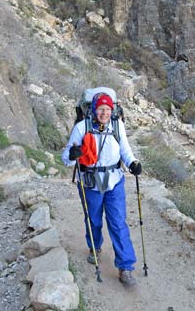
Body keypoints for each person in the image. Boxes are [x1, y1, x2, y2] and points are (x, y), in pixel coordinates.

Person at [62, 92, 142, 287]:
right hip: (90, 181)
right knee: (93, 220)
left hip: (114, 180)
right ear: (94, 110)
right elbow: (65, 157)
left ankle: (126, 267)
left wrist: (132, 163)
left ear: (112, 110)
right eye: (101, 109)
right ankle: (95, 247)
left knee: (118, 222)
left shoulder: (117, 126)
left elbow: (125, 150)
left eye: (107, 109)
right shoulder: (82, 127)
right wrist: (73, 154)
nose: (104, 113)